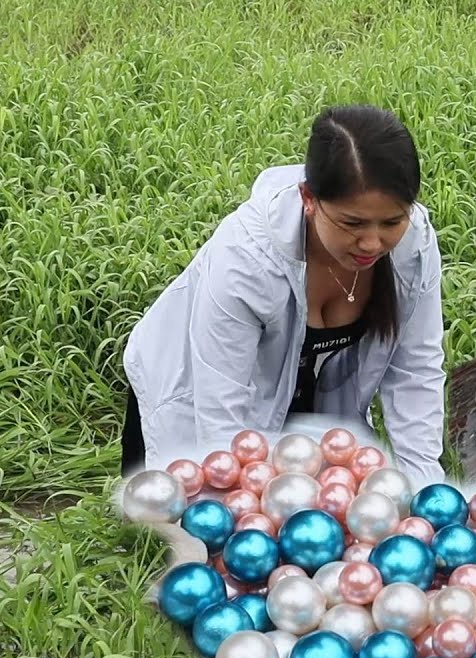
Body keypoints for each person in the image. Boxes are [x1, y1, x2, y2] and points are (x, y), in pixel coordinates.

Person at [120, 104, 448, 490]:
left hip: (308, 405)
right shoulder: (246, 262)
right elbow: (220, 416)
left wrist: (426, 488)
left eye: (392, 221)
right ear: (308, 198)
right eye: (352, 223)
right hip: (196, 403)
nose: (373, 242)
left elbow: (416, 370)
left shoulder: (414, 247)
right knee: (207, 530)